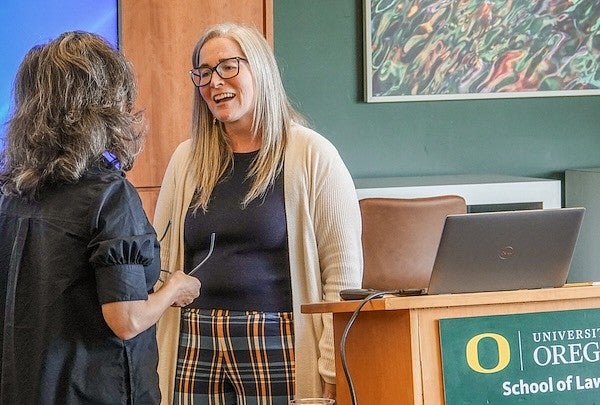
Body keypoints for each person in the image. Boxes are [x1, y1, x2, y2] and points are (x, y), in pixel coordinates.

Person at [153, 22, 363, 404]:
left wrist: (332, 364)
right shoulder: (186, 159)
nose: (214, 82)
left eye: (228, 66)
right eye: (203, 72)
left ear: (261, 70)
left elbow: (343, 271)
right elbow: (162, 260)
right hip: (194, 339)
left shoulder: (312, 154)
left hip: (277, 337)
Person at [0, 31, 201, 404]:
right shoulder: (109, 195)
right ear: (106, 104)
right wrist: (175, 287)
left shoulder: (12, 196)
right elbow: (127, 321)